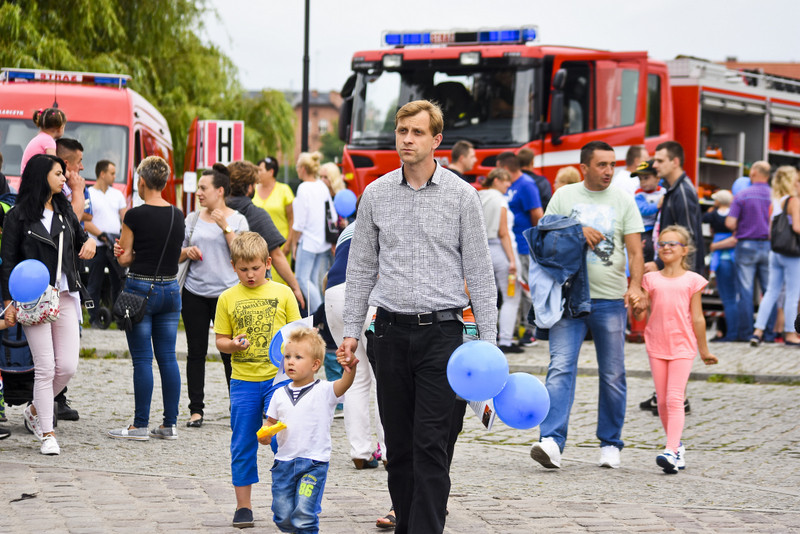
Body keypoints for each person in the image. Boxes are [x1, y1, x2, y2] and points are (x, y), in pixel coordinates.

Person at [338, 100, 497, 534]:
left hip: (443, 336)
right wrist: (351, 331)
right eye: (402, 131)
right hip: (388, 333)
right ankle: (409, 521)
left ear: (436, 140)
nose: (407, 139)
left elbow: (480, 274)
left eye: (417, 132)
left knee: (431, 444)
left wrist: (490, 343)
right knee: (401, 448)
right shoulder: (375, 194)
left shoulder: (463, 196)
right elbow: (361, 269)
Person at [529, 141, 644, 471]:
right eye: (602, 165)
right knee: (560, 367)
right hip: (569, 298)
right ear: (584, 167)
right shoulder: (565, 196)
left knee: (613, 374)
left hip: (609, 299)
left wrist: (635, 287)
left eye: (612, 164)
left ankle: (610, 442)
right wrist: (577, 230)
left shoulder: (623, 199)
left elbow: (636, 252)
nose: (608, 171)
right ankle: (551, 441)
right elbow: (544, 240)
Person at [1, 154, 96, 455]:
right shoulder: (17, 216)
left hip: (66, 295)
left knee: (66, 367)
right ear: (42, 176)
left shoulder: (65, 210)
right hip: (33, 299)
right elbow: (8, 263)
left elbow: (82, 241)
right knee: (45, 367)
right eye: (58, 173)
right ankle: (47, 433)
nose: (64, 178)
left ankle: (34, 410)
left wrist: (90, 244)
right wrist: (8, 303)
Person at [214, 231, 301, 528]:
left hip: (279, 383)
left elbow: (297, 335)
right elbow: (220, 340)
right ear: (233, 266)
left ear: (267, 263)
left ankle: (286, 500)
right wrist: (232, 345)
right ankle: (243, 506)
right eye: (243, 269)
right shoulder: (227, 298)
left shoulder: (284, 293)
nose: (250, 275)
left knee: (284, 441)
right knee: (242, 443)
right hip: (243, 382)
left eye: (255, 268)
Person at [107, 156, 184, 441]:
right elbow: (172, 254)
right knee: (168, 358)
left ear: (142, 181)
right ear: (163, 182)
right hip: (170, 291)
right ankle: (170, 425)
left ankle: (140, 425)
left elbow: (125, 258)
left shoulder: (134, 215)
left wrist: (122, 253)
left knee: (142, 359)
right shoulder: (178, 215)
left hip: (140, 290)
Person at [635, 225, 717, 473]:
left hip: (683, 346)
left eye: (672, 244)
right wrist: (637, 305)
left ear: (685, 250)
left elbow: (698, 318)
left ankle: (670, 450)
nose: (666, 247)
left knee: (674, 398)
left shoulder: (693, 280)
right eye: (662, 244)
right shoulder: (650, 279)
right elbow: (642, 310)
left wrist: (703, 351)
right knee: (661, 402)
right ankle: (677, 446)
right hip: (656, 345)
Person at [259, 327, 355, 533]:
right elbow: (270, 422)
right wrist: (265, 435)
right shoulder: (278, 394)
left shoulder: (325, 390)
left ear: (315, 364)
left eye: (298, 357)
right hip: (283, 463)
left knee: (304, 513)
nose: (290, 361)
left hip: (313, 463)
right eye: (287, 356)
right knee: (282, 514)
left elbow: (344, 385)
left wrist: (350, 370)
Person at [181, 164, 249, 428]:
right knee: (195, 352)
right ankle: (196, 410)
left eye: (203, 188)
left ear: (219, 191)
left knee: (230, 353)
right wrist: (187, 252)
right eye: (198, 188)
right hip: (195, 293)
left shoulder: (238, 220)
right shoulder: (192, 219)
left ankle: (237, 407)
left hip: (227, 295)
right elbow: (178, 253)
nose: (198, 192)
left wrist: (225, 227)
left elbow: (243, 257)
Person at [324, 215, 385, 470]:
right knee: (384, 377)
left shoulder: (347, 230)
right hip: (367, 292)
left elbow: (332, 271)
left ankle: (359, 451)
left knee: (354, 375)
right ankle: (390, 449)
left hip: (334, 294)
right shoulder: (384, 224)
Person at [226, 160, 305, 309]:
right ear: (249, 187)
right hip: (253, 293)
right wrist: (295, 287)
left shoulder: (216, 212)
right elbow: (276, 256)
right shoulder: (256, 215)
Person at [750, 166, 800, 346]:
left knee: (771, 292)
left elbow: (771, 232)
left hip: (775, 252)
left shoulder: (775, 202)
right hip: (792, 253)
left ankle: (758, 331)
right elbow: (797, 228)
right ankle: (790, 334)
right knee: (793, 294)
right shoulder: (793, 201)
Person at [496, 151, 543, 345]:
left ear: (505, 167)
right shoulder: (510, 185)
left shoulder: (526, 185)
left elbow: (537, 214)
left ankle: (528, 330)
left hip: (524, 246)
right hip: (508, 247)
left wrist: (534, 240)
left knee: (526, 291)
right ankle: (514, 329)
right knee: (512, 290)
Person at [726, 161, 773, 341]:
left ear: (753, 173)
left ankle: (746, 334)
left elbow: (730, 222)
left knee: (745, 291)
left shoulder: (742, 195)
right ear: (768, 175)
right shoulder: (775, 196)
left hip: (746, 245)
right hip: (769, 246)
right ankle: (768, 334)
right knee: (770, 290)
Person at [479, 167, 521, 352]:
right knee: (511, 296)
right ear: (496, 180)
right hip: (500, 249)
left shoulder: (478, 195)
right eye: (506, 181)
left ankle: (484, 337)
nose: (508, 185)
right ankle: (505, 340)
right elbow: (503, 232)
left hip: (480, 249)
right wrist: (512, 260)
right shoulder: (500, 200)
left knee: (486, 297)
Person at [647, 141, 704, 275]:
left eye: (660, 161)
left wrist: (685, 279)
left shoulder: (683, 191)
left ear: (675, 162)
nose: (655, 165)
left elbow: (687, 238)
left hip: (680, 276)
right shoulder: (673, 189)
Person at [288, 151, 334, 315]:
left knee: (302, 279)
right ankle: (322, 313)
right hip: (322, 242)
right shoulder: (321, 186)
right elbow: (332, 214)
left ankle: (319, 313)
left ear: (302, 169)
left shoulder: (303, 188)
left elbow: (299, 222)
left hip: (308, 241)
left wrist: (294, 243)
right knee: (314, 280)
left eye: (297, 167)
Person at [84, 160, 126, 327]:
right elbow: (85, 221)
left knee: (118, 282)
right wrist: (101, 235)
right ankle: (94, 318)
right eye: (112, 173)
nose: (114, 176)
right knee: (94, 283)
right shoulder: (89, 194)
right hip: (96, 245)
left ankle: (118, 317)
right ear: (102, 174)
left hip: (114, 245)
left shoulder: (118, 195)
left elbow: (125, 218)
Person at [703, 190, 742, 342]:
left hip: (721, 260)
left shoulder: (713, 215)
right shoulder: (734, 216)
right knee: (734, 297)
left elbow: (705, 218)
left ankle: (731, 333)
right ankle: (732, 331)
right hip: (733, 257)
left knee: (728, 299)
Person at [252, 156, 295, 286]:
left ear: (271, 172)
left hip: (279, 246)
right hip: (256, 247)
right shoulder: (252, 189)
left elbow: (292, 219)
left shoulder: (284, 190)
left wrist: (288, 244)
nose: (257, 173)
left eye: (260, 170)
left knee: (278, 283)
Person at [632, 160, 665, 263]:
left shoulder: (663, 191)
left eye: (646, 178)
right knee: (648, 248)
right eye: (640, 179)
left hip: (659, 227)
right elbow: (644, 210)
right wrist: (658, 205)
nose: (643, 182)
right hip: (645, 229)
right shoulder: (639, 195)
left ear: (657, 178)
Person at [55, 138, 90, 223]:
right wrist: (77, 190)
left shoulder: (81, 185)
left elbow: (88, 215)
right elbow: (71, 221)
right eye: (79, 162)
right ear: (65, 164)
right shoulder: (54, 188)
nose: (82, 167)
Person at [20, 108, 66, 174]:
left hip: (27, 178)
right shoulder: (49, 141)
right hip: (34, 180)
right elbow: (54, 164)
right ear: (60, 128)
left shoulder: (39, 138)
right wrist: (66, 173)